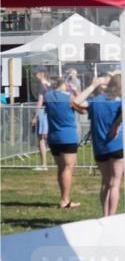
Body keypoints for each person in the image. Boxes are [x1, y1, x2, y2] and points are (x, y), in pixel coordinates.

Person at [73, 73, 125, 216]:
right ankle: (111, 217)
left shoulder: (95, 101)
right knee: (114, 184)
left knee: (105, 183)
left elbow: (77, 102)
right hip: (117, 146)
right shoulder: (120, 101)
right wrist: (117, 124)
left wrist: (92, 86)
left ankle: (105, 216)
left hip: (100, 148)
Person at [40, 75, 82, 208]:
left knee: (61, 168)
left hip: (54, 136)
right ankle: (65, 199)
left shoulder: (48, 96)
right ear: (63, 84)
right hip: (68, 136)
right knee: (68, 168)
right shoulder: (69, 97)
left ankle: (64, 197)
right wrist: (76, 92)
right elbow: (81, 109)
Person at [30, 70, 51, 171]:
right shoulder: (50, 85)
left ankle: (44, 165)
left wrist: (35, 116)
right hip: (49, 113)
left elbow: (40, 102)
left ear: (42, 73)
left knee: (41, 140)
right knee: (44, 139)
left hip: (43, 113)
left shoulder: (41, 86)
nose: (35, 76)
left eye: (36, 73)